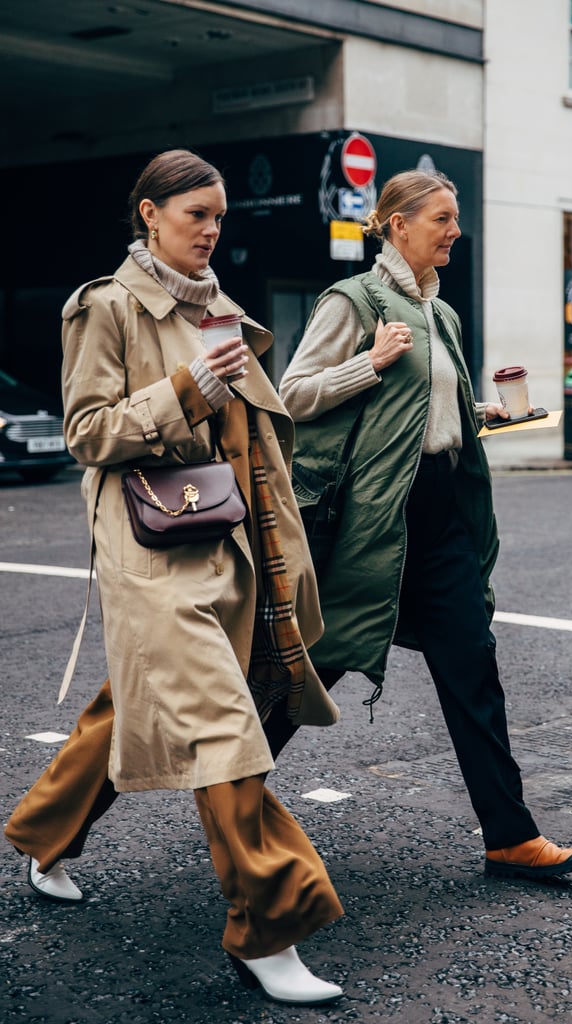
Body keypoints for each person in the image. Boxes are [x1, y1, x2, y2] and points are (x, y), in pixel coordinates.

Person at [5, 149, 344, 1006]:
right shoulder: (106, 306)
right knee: (223, 734)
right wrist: (185, 388)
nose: (212, 229)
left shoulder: (221, 307)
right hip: (152, 553)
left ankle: (44, 835)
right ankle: (269, 923)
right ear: (149, 215)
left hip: (233, 544)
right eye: (196, 213)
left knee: (136, 705)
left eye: (220, 216)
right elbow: (87, 433)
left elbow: (257, 435)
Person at [276, 168, 572, 881]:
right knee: (313, 671)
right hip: (373, 521)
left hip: (439, 513)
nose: (455, 231)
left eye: (455, 218)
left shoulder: (438, 313)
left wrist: (487, 415)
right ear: (397, 224)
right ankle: (227, 790)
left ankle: (509, 837)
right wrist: (369, 362)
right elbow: (289, 395)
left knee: (471, 666)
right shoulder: (352, 301)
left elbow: (424, 411)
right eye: (442, 219)